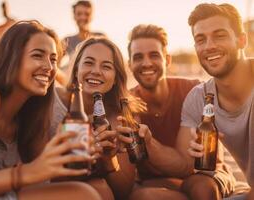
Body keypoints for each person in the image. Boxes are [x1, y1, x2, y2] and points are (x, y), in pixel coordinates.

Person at [0, 20, 101, 200]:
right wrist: (25, 173)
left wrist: (68, 156)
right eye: (38, 55)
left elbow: (43, 179)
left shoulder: (29, 115)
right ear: (12, 58)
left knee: (86, 193)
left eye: (53, 59)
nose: (49, 67)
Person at [118, 24, 235, 200]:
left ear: (167, 60)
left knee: (201, 189)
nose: (147, 63)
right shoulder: (127, 104)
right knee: (144, 196)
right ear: (130, 64)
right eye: (138, 57)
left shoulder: (194, 90)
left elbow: (189, 167)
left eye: (154, 55)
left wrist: (149, 143)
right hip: (156, 182)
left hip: (206, 175)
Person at [52, 36, 146, 200]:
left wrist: (109, 157)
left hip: (99, 191)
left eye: (106, 66)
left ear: (116, 77)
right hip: (53, 187)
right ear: (76, 69)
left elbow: (124, 191)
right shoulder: (53, 102)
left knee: (100, 188)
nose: (96, 71)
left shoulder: (123, 118)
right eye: (88, 63)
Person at [181, 3, 254, 199]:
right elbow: (184, 163)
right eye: (200, 39)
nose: (209, 46)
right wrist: (192, 158)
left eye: (219, 35)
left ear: (241, 40)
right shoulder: (199, 99)